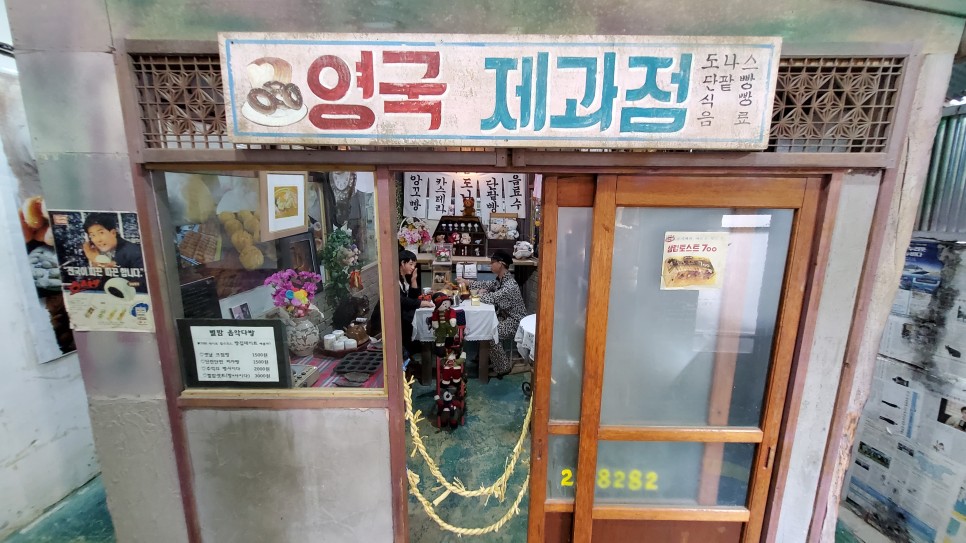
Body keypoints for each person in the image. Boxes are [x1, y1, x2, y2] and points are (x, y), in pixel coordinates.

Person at [457, 249, 527, 378]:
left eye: (492, 262)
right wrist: (468, 282)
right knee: (482, 325)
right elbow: (487, 284)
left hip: (515, 321)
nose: (490, 265)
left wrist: (474, 295)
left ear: (501, 264)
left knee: (490, 333)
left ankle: (503, 368)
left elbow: (492, 298)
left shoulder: (510, 285)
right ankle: (485, 357)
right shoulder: (500, 280)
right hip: (504, 316)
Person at [398, 250, 434, 356]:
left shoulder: (404, 277)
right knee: (412, 318)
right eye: (411, 264)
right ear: (402, 263)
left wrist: (414, 280)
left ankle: (415, 349)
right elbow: (401, 300)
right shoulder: (395, 278)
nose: (413, 267)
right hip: (396, 315)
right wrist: (421, 303)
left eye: (414, 265)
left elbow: (412, 297)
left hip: (403, 311)